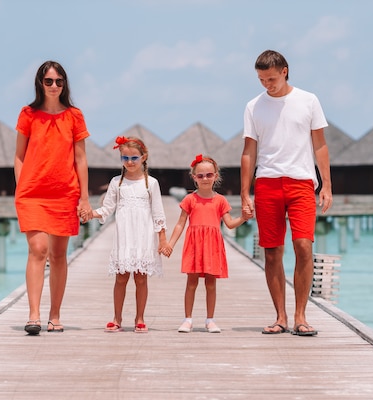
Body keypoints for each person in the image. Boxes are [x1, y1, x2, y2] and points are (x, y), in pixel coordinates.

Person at [240, 49, 333, 337]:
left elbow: (320, 145)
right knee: (272, 252)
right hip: (266, 183)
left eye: (270, 78)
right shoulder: (253, 106)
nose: (266, 84)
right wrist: (245, 192)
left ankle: (300, 316)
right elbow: (249, 151)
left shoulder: (308, 100)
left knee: (304, 246)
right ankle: (280, 317)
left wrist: (327, 184)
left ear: (284, 71)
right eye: (261, 80)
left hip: (302, 183)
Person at [14, 60, 92, 335]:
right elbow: (19, 156)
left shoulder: (74, 115)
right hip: (32, 194)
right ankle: (33, 314)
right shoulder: (28, 114)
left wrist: (84, 198)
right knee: (38, 250)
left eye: (59, 81)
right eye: (49, 81)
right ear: (40, 83)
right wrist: (20, 188)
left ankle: (54, 315)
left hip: (65, 193)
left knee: (58, 255)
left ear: (64, 84)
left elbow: (81, 159)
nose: (54, 86)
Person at [161, 154, 250, 333]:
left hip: (212, 245)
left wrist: (243, 217)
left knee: (211, 283)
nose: (205, 179)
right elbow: (180, 223)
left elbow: (230, 223)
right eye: (200, 176)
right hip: (194, 244)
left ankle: (210, 319)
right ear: (194, 177)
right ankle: (187, 319)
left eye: (209, 175)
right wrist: (170, 243)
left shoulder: (220, 200)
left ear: (215, 176)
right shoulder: (189, 199)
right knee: (191, 282)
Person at [90, 136, 167, 333]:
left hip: (144, 236)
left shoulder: (152, 183)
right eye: (125, 158)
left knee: (141, 278)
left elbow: (158, 212)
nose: (130, 162)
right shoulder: (117, 182)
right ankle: (117, 318)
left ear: (144, 157)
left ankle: (140, 317)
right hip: (124, 237)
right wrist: (92, 213)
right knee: (121, 277)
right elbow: (107, 208)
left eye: (134, 157)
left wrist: (162, 239)